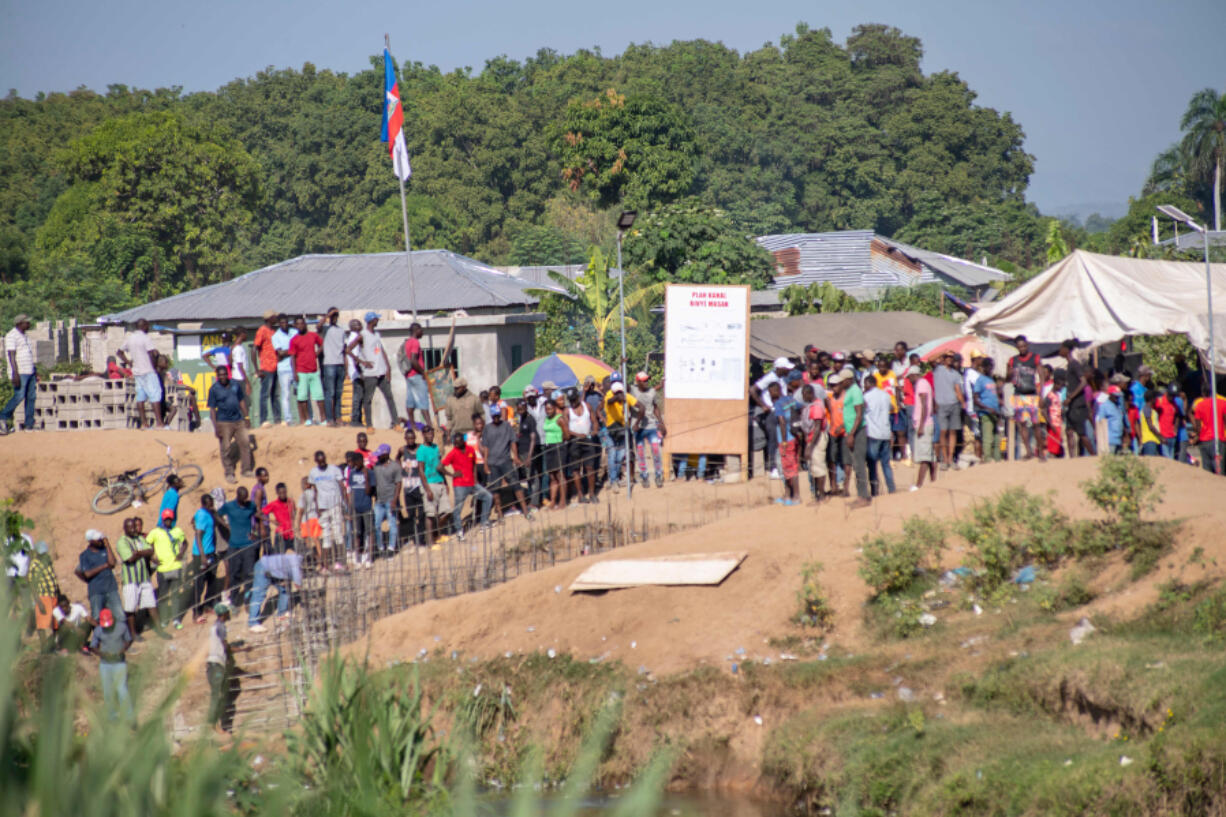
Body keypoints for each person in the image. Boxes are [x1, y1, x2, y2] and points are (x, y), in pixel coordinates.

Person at [115, 517, 168, 640]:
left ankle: (159, 630)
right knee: (130, 608)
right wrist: (141, 552)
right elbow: (130, 558)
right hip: (131, 580)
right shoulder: (122, 542)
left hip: (144, 577)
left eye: (135, 526)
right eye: (131, 527)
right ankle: (133, 634)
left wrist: (138, 553)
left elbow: (150, 550)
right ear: (125, 529)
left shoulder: (139, 538)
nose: (134, 529)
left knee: (152, 604)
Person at [481, 403, 534, 520]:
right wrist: (485, 463)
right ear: (491, 415)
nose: (496, 418)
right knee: (495, 489)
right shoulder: (487, 429)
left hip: (506, 461)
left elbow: (513, 442)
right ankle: (500, 514)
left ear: (500, 414)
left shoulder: (506, 426)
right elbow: (485, 447)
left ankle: (525, 511)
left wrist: (515, 457)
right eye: (494, 416)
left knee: (516, 484)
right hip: (493, 463)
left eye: (497, 415)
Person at [351, 312, 399, 430]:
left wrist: (388, 367)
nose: (378, 320)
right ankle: (369, 425)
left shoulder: (377, 334)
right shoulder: (362, 335)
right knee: (368, 399)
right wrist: (362, 362)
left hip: (381, 371)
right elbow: (348, 349)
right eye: (376, 318)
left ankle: (396, 423)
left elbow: (380, 351)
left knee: (390, 397)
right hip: (370, 374)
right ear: (371, 320)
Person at [207, 365, 254, 484]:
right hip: (223, 422)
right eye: (220, 375)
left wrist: (247, 416)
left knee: (245, 443)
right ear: (217, 376)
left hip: (238, 420)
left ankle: (246, 470)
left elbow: (241, 401)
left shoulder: (235, 384)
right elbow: (212, 409)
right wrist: (216, 427)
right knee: (225, 448)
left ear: (228, 374)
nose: (223, 377)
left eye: (224, 374)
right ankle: (229, 473)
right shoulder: (214, 389)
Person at [442, 431, 493, 537]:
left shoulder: (470, 449)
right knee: (458, 509)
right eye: (454, 443)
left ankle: (484, 522)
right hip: (460, 485)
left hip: (472, 484)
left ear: (463, 441)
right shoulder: (453, 453)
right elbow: (440, 466)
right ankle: (459, 530)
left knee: (488, 497)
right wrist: (451, 474)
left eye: (458, 442)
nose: (456, 444)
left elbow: (474, 464)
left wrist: (475, 479)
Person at [117, 318, 165, 430]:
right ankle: (159, 424)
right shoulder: (145, 338)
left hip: (137, 372)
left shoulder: (130, 338)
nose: (148, 328)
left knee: (140, 397)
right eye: (147, 326)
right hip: (148, 371)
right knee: (155, 396)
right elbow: (152, 354)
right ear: (143, 326)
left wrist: (129, 362)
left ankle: (144, 423)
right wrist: (154, 368)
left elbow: (119, 352)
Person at [89, 608, 134, 723]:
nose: (107, 627)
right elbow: (93, 646)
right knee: (107, 691)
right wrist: (102, 654)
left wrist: (122, 650)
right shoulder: (98, 630)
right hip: (105, 665)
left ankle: (129, 717)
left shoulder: (122, 627)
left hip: (119, 663)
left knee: (121, 689)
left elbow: (129, 640)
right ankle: (112, 717)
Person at [751, 357, 792, 479]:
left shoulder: (782, 378)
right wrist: (763, 405)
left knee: (782, 439)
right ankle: (773, 468)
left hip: (781, 411)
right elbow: (753, 390)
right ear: (780, 368)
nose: (788, 370)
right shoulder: (769, 378)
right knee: (773, 440)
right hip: (771, 414)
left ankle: (782, 466)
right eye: (786, 368)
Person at [147, 509, 188, 629]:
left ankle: (176, 619)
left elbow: (185, 543)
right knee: (163, 596)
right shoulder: (155, 532)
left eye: (170, 519)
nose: (168, 521)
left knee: (175, 595)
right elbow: (147, 544)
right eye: (166, 519)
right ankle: (165, 619)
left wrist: (181, 553)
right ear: (163, 520)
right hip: (162, 569)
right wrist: (152, 558)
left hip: (176, 567)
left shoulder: (177, 531)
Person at [206, 602, 243, 736]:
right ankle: (212, 724)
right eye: (227, 612)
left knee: (219, 695)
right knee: (217, 695)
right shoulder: (220, 627)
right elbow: (226, 646)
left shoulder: (216, 626)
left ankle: (214, 724)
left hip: (214, 666)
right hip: (216, 667)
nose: (229, 614)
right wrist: (242, 649)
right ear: (223, 615)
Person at [247, 548, 303, 633]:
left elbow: (287, 573)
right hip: (263, 567)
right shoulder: (295, 562)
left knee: (285, 589)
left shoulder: (294, 559)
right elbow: (297, 583)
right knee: (258, 595)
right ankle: (253, 623)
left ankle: (282, 613)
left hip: (273, 571)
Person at [220, 486, 259, 606]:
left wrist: (255, 533)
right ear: (237, 496)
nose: (244, 501)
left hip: (248, 545)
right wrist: (226, 526)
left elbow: (257, 516)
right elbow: (217, 515)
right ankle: (234, 598)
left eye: (246, 498)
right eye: (242, 499)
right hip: (234, 546)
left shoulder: (251, 505)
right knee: (234, 573)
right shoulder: (229, 506)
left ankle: (248, 598)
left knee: (249, 573)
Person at [1005, 336, 1043, 460]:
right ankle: (1028, 451)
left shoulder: (1035, 358)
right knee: (1022, 425)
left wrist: (1041, 394)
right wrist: (1009, 373)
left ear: (1027, 345)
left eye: (1024, 346)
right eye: (1019, 347)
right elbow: (1008, 378)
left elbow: (1041, 377)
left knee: (1037, 424)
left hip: (1032, 394)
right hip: (1018, 395)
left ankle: (1041, 452)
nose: (1022, 348)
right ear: (1017, 347)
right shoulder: (1012, 360)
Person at [309, 450, 347, 570]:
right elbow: (314, 490)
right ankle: (326, 564)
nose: (322, 464)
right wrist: (316, 507)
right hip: (322, 507)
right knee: (326, 537)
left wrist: (344, 503)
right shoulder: (313, 473)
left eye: (323, 461)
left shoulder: (334, 469)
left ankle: (341, 562)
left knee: (338, 534)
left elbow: (342, 486)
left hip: (335, 505)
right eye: (319, 462)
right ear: (316, 461)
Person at [75, 529, 123, 621]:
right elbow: (87, 573)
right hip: (96, 591)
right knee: (97, 617)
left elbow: (112, 563)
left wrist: (107, 545)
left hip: (111, 588)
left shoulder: (105, 550)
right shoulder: (85, 555)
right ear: (91, 541)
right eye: (98, 539)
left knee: (120, 614)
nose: (101, 540)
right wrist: (105, 565)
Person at [1, 314, 36, 434]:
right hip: (20, 372)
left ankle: (29, 425)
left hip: (30, 371)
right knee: (19, 396)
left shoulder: (25, 336)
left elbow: (29, 354)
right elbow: (11, 355)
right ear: (20, 323)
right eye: (27, 322)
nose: (29, 324)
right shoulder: (12, 336)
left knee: (31, 397)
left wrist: (35, 371)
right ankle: (3, 417)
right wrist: (15, 374)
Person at [629, 372, 665, 489]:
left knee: (656, 450)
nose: (646, 382)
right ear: (638, 382)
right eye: (644, 380)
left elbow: (655, 408)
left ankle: (658, 475)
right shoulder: (633, 390)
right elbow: (623, 385)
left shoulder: (652, 392)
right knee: (640, 453)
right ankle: (644, 476)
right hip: (638, 426)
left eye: (647, 380)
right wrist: (621, 365)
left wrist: (661, 422)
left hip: (651, 425)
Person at [603, 382, 642, 489]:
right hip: (611, 430)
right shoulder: (609, 395)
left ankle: (615, 478)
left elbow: (641, 406)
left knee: (620, 456)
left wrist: (637, 423)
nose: (619, 394)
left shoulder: (627, 397)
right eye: (616, 392)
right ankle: (613, 480)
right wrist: (617, 398)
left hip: (623, 430)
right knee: (612, 454)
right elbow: (609, 401)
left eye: (620, 392)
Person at [417, 426, 451, 541]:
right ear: (423, 435)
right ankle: (430, 541)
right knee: (430, 514)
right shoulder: (421, 450)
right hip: (429, 484)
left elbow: (440, 465)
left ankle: (436, 534)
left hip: (440, 481)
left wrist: (445, 482)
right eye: (428, 434)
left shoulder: (436, 447)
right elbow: (420, 470)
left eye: (432, 434)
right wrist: (427, 490)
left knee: (447, 511)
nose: (430, 436)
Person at [863, 375, 895, 496]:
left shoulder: (866, 397)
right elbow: (892, 407)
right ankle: (891, 488)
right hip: (885, 432)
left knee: (872, 464)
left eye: (865, 384)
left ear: (869, 384)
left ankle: (875, 491)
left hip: (873, 434)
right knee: (886, 463)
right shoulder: (886, 395)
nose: (864, 387)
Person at [289, 316, 325, 426]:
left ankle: (323, 419)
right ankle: (307, 419)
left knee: (319, 396)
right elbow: (292, 358)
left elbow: (322, 344)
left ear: (305, 324)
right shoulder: (294, 340)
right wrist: (294, 373)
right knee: (302, 397)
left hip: (314, 371)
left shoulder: (313, 335)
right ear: (295, 326)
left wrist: (317, 353)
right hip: (301, 371)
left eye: (302, 323)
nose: (300, 326)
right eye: (298, 324)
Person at [191, 494, 221, 623]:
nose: (211, 505)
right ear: (204, 504)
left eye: (212, 503)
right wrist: (202, 556)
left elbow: (192, 520)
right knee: (200, 584)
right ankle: (196, 613)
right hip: (201, 555)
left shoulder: (207, 513)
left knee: (212, 580)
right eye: (209, 504)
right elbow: (198, 536)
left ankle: (208, 605)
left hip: (210, 552)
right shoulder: (202, 515)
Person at [770, 379, 801, 505]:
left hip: (786, 439)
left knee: (789, 469)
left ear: (774, 391)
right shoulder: (791, 399)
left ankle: (796, 496)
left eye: (770, 392)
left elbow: (782, 422)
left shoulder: (778, 404)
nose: (770, 395)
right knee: (789, 467)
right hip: (794, 437)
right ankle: (788, 495)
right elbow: (800, 409)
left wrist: (783, 442)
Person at [370, 444, 404, 557]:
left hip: (390, 500)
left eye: (380, 455)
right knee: (377, 524)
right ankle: (380, 547)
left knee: (392, 524)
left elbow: (398, 483)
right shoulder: (376, 466)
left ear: (386, 454)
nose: (378, 457)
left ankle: (391, 548)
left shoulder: (395, 467)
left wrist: (395, 500)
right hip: (379, 501)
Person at [565, 388, 598, 503]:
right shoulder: (568, 411)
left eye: (574, 400)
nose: (572, 403)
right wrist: (578, 435)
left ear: (578, 398)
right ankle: (580, 494)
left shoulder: (587, 406)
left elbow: (594, 421)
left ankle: (592, 493)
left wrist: (594, 430)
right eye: (570, 401)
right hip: (574, 442)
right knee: (576, 469)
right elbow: (566, 430)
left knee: (590, 468)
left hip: (587, 440)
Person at [932, 351, 964, 470]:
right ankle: (944, 459)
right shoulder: (938, 369)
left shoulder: (955, 374)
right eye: (948, 357)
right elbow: (930, 359)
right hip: (941, 405)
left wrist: (963, 402)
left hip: (954, 404)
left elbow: (957, 390)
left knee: (953, 432)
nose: (950, 359)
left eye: (952, 357)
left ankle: (950, 459)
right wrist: (943, 352)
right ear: (944, 358)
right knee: (943, 432)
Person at [906, 366, 936, 491]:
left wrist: (921, 426)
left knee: (924, 457)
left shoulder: (921, 384)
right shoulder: (924, 383)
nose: (909, 380)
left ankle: (919, 485)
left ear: (914, 375)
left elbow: (924, 405)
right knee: (929, 456)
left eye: (909, 377)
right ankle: (934, 481)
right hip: (925, 422)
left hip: (923, 424)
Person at [396, 321, 431, 428]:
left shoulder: (407, 342)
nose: (422, 332)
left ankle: (412, 425)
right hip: (416, 375)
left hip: (409, 375)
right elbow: (414, 360)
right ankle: (429, 425)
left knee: (410, 401)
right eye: (421, 330)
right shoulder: (415, 342)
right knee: (423, 401)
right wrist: (423, 373)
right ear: (416, 330)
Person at [398, 429, 428, 546]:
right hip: (407, 488)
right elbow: (397, 458)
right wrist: (401, 469)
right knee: (410, 515)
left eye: (412, 438)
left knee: (421, 514)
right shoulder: (402, 450)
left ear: (415, 438)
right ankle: (413, 538)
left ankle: (421, 539)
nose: (410, 440)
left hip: (419, 486)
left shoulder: (420, 448)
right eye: (408, 438)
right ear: (405, 439)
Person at [253, 310, 281, 427]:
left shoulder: (274, 331)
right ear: (270, 318)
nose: (276, 319)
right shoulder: (262, 330)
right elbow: (254, 349)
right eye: (275, 317)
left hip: (276, 367)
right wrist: (257, 369)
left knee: (275, 394)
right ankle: (263, 420)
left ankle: (278, 419)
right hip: (266, 367)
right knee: (265, 394)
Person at [1191, 382, 1226, 474]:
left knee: (1207, 472)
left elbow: (1198, 427)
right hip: (1219, 440)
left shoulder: (1199, 405)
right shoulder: (1222, 403)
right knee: (1219, 470)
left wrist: (1196, 438)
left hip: (1204, 441)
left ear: (1203, 393)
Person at [320, 307, 347, 426]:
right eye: (333, 316)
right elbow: (318, 327)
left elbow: (344, 349)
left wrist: (346, 367)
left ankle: (338, 417)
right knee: (329, 393)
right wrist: (327, 315)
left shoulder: (341, 330)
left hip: (340, 363)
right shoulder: (325, 329)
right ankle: (330, 419)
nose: (334, 318)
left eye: (336, 316)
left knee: (338, 393)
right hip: (329, 364)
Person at [28, 541, 59, 637]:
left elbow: (53, 577)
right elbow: (32, 585)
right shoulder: (34, 564)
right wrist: (39, 602)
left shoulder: (48, 561)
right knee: (42, 623)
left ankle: (55, 643)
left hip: (53, 594)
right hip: (43, 595)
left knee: (55, 621)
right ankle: (44, 647)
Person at [541, 399, 568, 509]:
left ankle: (562, 500)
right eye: (546, 409)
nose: (548, 411)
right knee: (552, 476)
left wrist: (559, 442)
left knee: (560, 475)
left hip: (558, 447)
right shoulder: (547, 419)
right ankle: (553, 500)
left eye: (550, 408)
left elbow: (566, 435)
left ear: (555, 408)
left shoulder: (559, 419)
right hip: (549, 448)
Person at [514, 399, 541, 507]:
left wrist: (530, 456)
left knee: (533, 477)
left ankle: (535, 503)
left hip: (528, 452)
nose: (521, 411)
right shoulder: (520, 419)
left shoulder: (530, 420)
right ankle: (531, 500)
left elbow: (533, 438)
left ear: (526, 408)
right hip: (521, 451)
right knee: (527, 477)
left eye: (522, 408)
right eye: (519, 409)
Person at [272, 314, 297, 425]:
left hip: (297, 367)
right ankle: (288, 419)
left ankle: (306, 418)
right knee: (285, 394)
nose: (284, 324)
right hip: (284, 369)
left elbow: (285, 352)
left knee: (301, 393)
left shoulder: (294, 332)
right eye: (282, 322)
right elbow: (280, 353)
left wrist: (287, 352)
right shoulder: (276, 336)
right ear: (279, 323)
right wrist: (293, 351)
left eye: (286, 322)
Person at [262, 482, 297, 555]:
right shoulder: (274, 504)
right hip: (281, 533)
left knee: (299, 552)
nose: (282, 494)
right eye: (280, 493)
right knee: (279, 556)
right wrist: (271, 520)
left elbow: (294, 513)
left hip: (291, 533)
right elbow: (259, 514)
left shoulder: (291, 501)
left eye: (284, 492)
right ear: (277, 493)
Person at [1154, 383, 1183, 460]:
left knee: (1171, 458)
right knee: (1167, 459)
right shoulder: (1159, 402)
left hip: (1172, 436)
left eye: (1174, 396)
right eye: (1171, 395)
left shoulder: (1174, 404)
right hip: (1163, 436)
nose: (1172, 397)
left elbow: (1177, 415)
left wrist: (1175, 427)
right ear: (1167, 393)